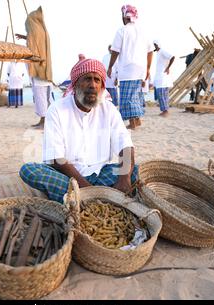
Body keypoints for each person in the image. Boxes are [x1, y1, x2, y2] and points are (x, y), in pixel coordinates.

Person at [19, 59, 137, 203]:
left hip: (101, 171)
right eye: (87, 79)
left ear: (101, 86)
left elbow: (125, 145)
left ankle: (77, 198)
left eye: (97, 80)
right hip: (68, 176)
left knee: (135, 170)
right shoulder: (57, 110)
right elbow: (56, 158)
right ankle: (98, 195)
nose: (93, 85)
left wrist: (124, 180)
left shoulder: (109, 109)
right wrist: (87, 189)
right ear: (75, 85)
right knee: (29, 170)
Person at [107, 4, 153, 130]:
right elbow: (150, 51)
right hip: (141, 69)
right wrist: (148, 68)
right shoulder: (143, 31)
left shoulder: (122, 30)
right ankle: (137, 121)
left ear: (124, 16)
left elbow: (115, 50)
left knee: (128, 97)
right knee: (136, 95)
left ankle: (133, 123)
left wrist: (110, 66)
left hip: (127, 69)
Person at [16, 6, 54, 129]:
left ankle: (43, 121)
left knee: (40, 96)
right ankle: (47, 120)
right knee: (47, 97)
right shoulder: (42, 31)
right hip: (45, 70)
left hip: (38, 69)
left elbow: (32, 45)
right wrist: (24, 37)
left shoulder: (35, 32)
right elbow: (35, 40)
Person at [153, 40, 175, 117]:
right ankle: (165, 110)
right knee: (162, 95)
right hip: (160, 77)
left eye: (154, 45)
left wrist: (168, 67)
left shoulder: (162, 51)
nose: (154, 47)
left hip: (163, 77)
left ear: (157, 45)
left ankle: (165, 111)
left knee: (162, 94)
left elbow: (172, 57)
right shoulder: (158, 53)